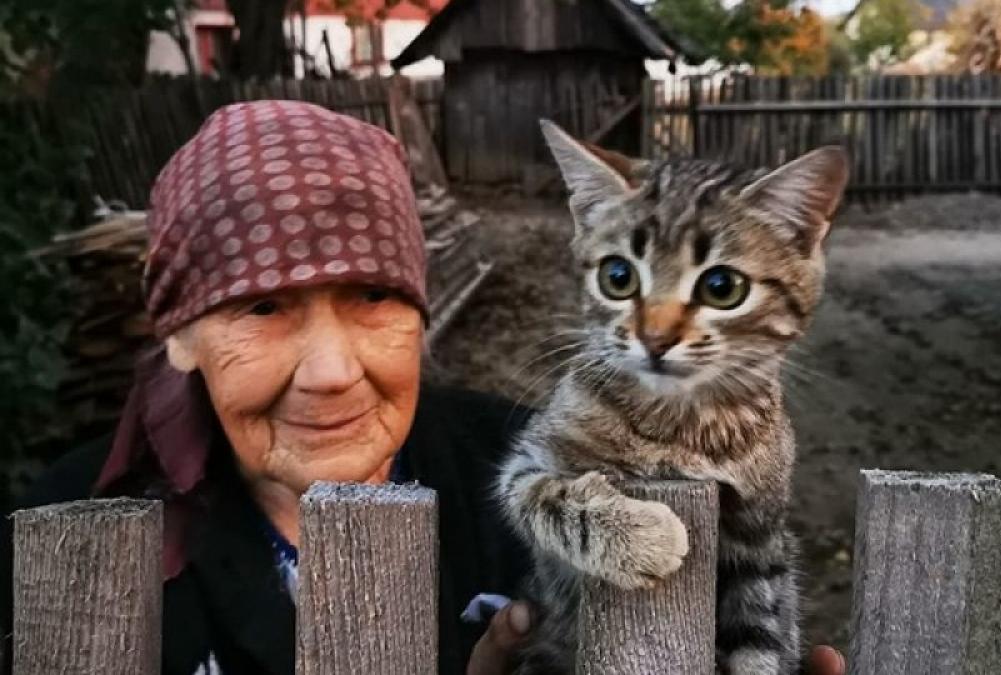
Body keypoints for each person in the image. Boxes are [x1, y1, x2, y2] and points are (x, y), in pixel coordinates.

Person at [1, 100, 846, 675]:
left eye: (375, 298)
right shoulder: (65, 534)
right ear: (179, 334)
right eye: (261, 307)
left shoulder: (528, 458)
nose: (332, 372)